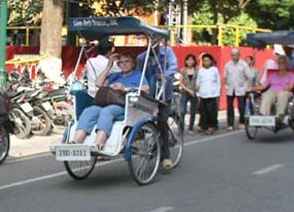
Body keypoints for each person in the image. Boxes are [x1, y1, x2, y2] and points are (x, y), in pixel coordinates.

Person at [72, 52, 147, 149]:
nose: (123, 64)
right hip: (107, 102)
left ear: (133, 63)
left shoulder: (138, 75)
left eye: (127, 62)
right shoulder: (115, 75)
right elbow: (98, 83)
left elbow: (146, 88)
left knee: (107, 111)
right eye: (121, 62)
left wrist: (125, 89)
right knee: (89, 111)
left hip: (125, 105)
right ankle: (76, 141)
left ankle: (99, 143)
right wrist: (109, 65)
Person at [136, 39, 178, 171]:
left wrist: (164, 75)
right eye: (150, 40)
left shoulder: (168, 52)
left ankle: (166, 157)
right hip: (148, 96)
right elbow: (138, 73)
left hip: (164, 94)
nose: (152, 43)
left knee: (162, 122)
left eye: (155, 40)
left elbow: (173, 66)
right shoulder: (142, 57)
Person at [224, 48, 253, 131]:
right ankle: (230, 124)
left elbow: (249, 77)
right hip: (230, 88)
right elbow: (225, 76)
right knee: (229, 107)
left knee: (241, 106)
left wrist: (248, 87)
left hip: (241, 88)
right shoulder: (228, 65)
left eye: (236, 55)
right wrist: (226, 86)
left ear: (239, 55)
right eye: (232, 55)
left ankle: (242, 122)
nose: (234, 57)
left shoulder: (243, 64)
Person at [196, 53, 220, 135]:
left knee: (211, 112)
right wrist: (198, 94)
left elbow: (218, 82)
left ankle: (211, 126)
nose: (206, 62)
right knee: (203, 112)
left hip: (212, 94)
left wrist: (217, 93)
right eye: (204, 61)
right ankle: (203, 126)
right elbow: (198, 82)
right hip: (203, 94)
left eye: (207, 61)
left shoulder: (215, 70)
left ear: (211, 61)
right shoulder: (201, 70)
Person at [179, 54, 199, 134]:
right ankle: (181, 128)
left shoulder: (197, 70)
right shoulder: (183, 70)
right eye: (188, 60)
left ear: (194, 61)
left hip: (194, 91)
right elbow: (180, 83)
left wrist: (196, 89)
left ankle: (190, 128)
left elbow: (200, 80)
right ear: (186, 61)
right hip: (185, 91)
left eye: (191, 60)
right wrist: (188, 90)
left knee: (193, 111)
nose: (190, 61)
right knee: (182, 110)